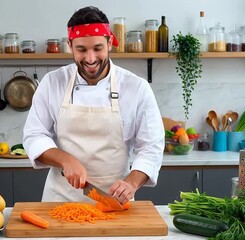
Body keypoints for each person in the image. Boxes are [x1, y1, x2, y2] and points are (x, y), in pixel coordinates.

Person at [23, 6, 164, 205]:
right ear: (70, 46)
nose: (90, 59)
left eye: (98, 48)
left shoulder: (136, 87)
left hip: (116, 200)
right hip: (61, 200)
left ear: (110, 43)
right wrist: (65, 160)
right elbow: (34, 135)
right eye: (81, 49)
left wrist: (131, 183)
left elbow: (151, 146)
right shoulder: (52, 82)